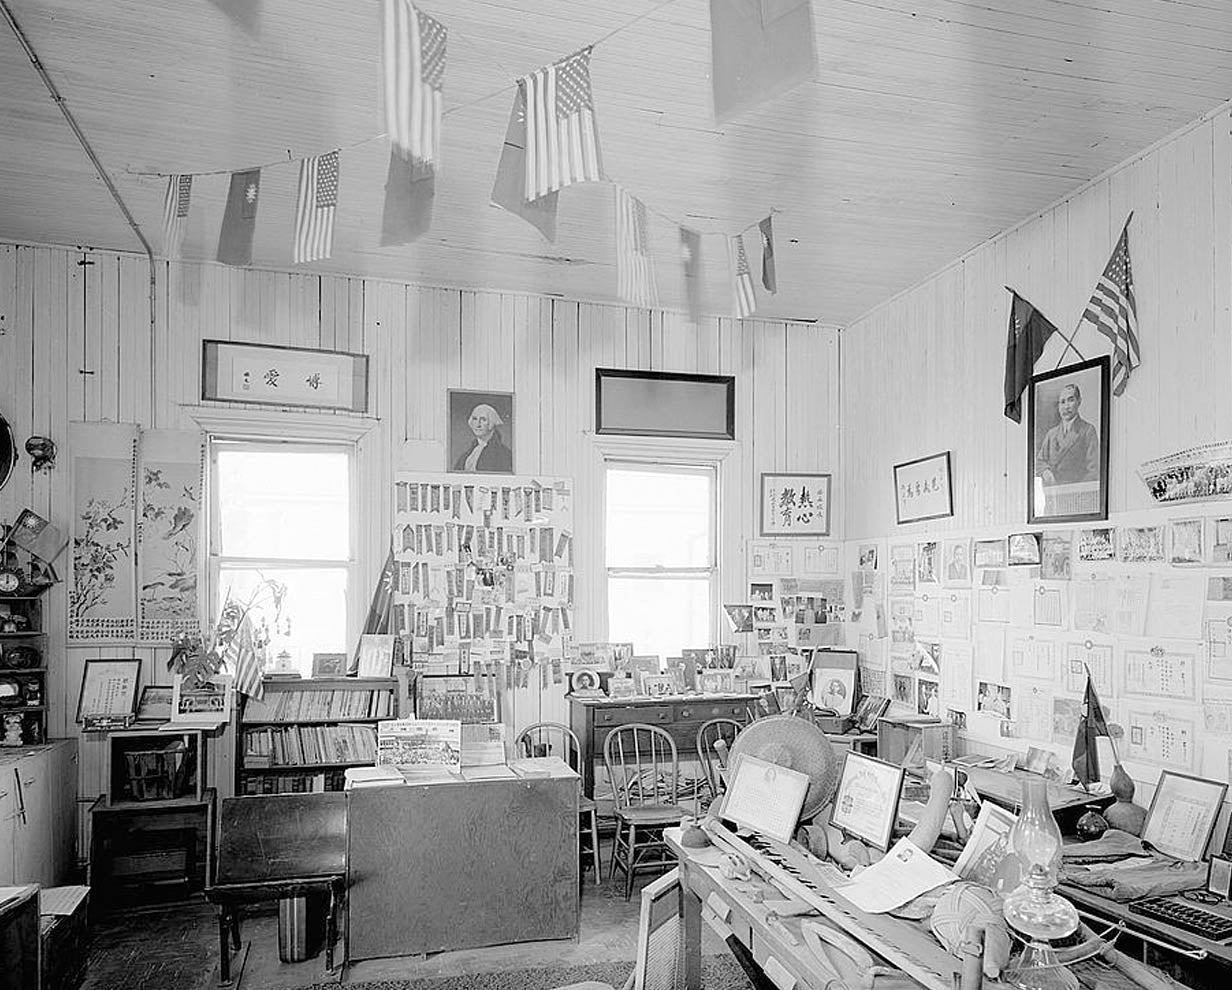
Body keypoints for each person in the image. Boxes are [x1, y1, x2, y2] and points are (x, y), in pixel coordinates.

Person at [1036, 383, 1099, 486]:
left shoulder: (1087, 431)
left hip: (1077, 495)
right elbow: (1039, 462)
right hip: (1052, 495)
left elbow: (1094, 471)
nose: (1066, 407)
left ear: (1079, 402)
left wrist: (1075, 489)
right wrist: (1046, 472)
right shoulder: (1051, 434)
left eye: (1071, 400)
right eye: (1062, 402)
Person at [453, 403, 512, 473]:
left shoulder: (503, 454)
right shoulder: (467, 454)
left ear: (491, 423)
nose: (478, 424)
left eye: (483, 419)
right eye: (475, 419)